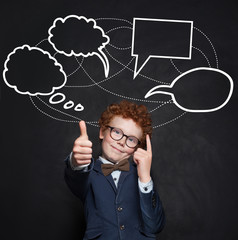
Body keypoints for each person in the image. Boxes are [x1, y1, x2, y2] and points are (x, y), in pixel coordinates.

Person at [64, 100, 165, 240]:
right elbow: (76, 175)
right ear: (102, 132)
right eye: (117, 132)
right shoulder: (88, 173)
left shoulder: (142, 176)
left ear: (137, 147)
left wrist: (145, 178)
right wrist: (77, 161)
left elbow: (155, 226)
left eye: (131, 139)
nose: (122, 142)